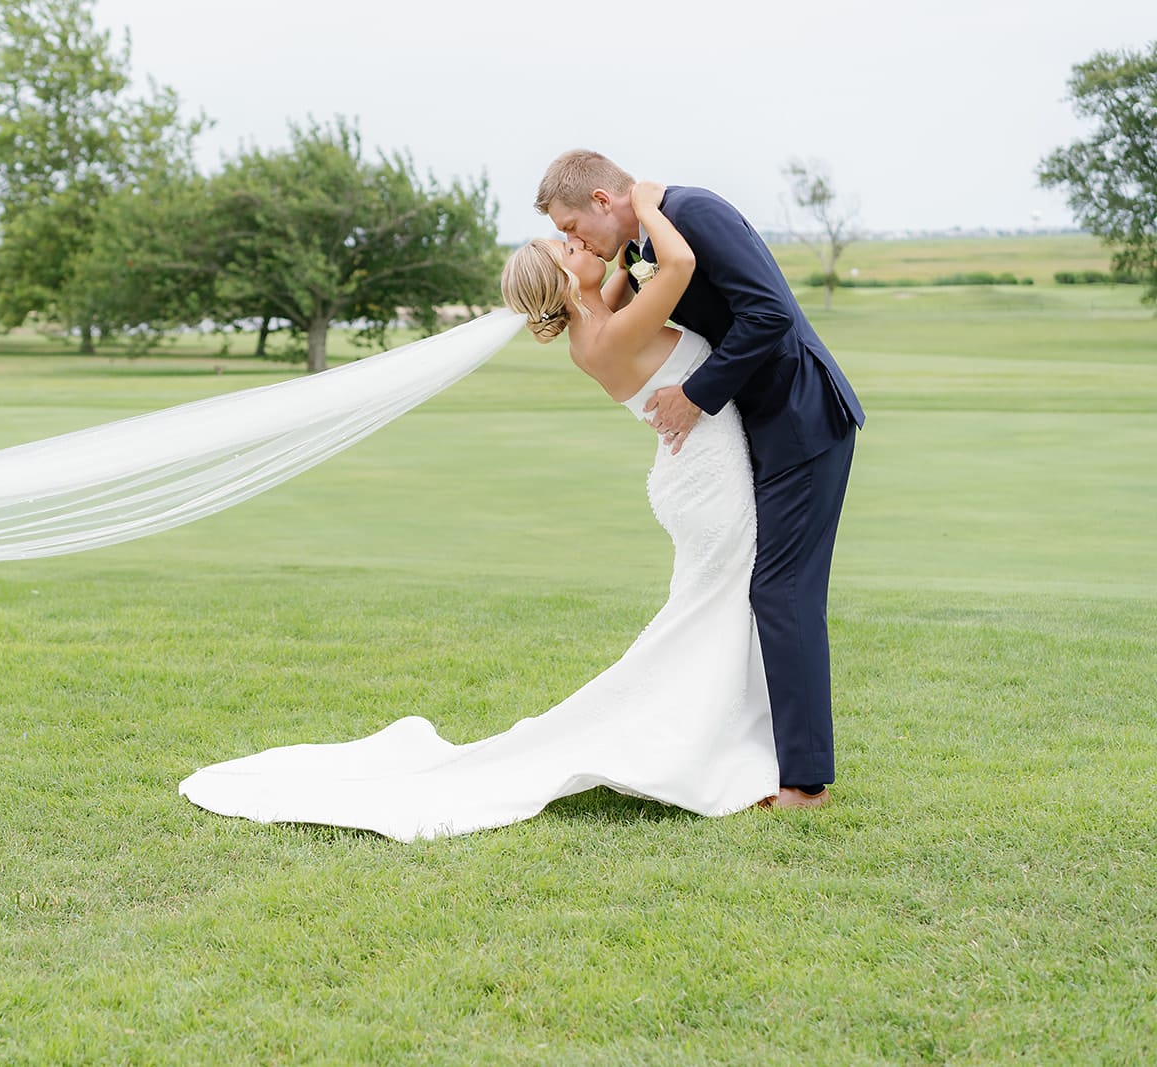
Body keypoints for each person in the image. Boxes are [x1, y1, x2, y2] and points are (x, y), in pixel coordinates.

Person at [179, 182, 780, 840]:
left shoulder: (596, 321)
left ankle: (722, 733)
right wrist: (644, 201)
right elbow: (681, 267)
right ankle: (705, 747)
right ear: (560, 277)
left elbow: (636, 274)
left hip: (692, 475)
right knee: (712, 609)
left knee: (712, 607)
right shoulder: (608, 332)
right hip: (705, 480)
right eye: (565, 244)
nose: (578, 242)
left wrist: (615, 246)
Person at [536, 150, 864, 808]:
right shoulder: (642, 246)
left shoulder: (692, 212)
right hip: (761, 432)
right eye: (564, 239)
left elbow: (769, 313)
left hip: (801, 418)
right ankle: (758, 754)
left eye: (575, 226)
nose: (576, 241)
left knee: (780, 592)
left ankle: (804, 783)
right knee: (765, 591)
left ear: (604, 199)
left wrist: (697, 394)